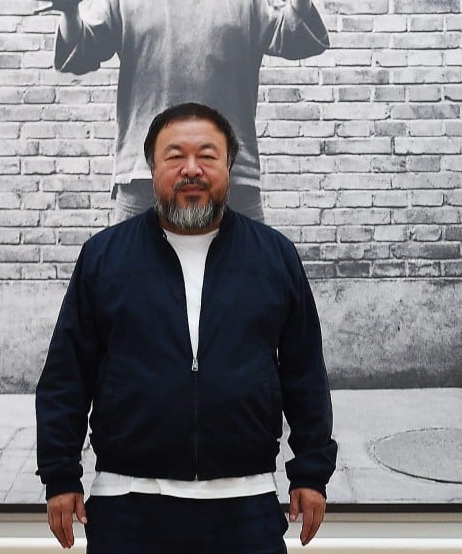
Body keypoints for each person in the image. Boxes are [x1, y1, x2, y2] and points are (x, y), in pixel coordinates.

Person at [36, 103, 337, 552]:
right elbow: (67, 374)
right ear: (152, 167)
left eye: (207, 156)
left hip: (246, 503)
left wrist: (311, 472)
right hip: (127, 503)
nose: (191, 169)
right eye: (174, 156)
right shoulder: (104, 257)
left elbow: (304, 374)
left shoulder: (273, 257)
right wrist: (61, 475)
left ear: (229, 167)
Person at [28, 0, 340, 223]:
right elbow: (80, 55)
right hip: (145, 173)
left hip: (231, 172)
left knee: (247, 275)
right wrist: (72, 13)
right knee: (132, 275)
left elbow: (296, 39)